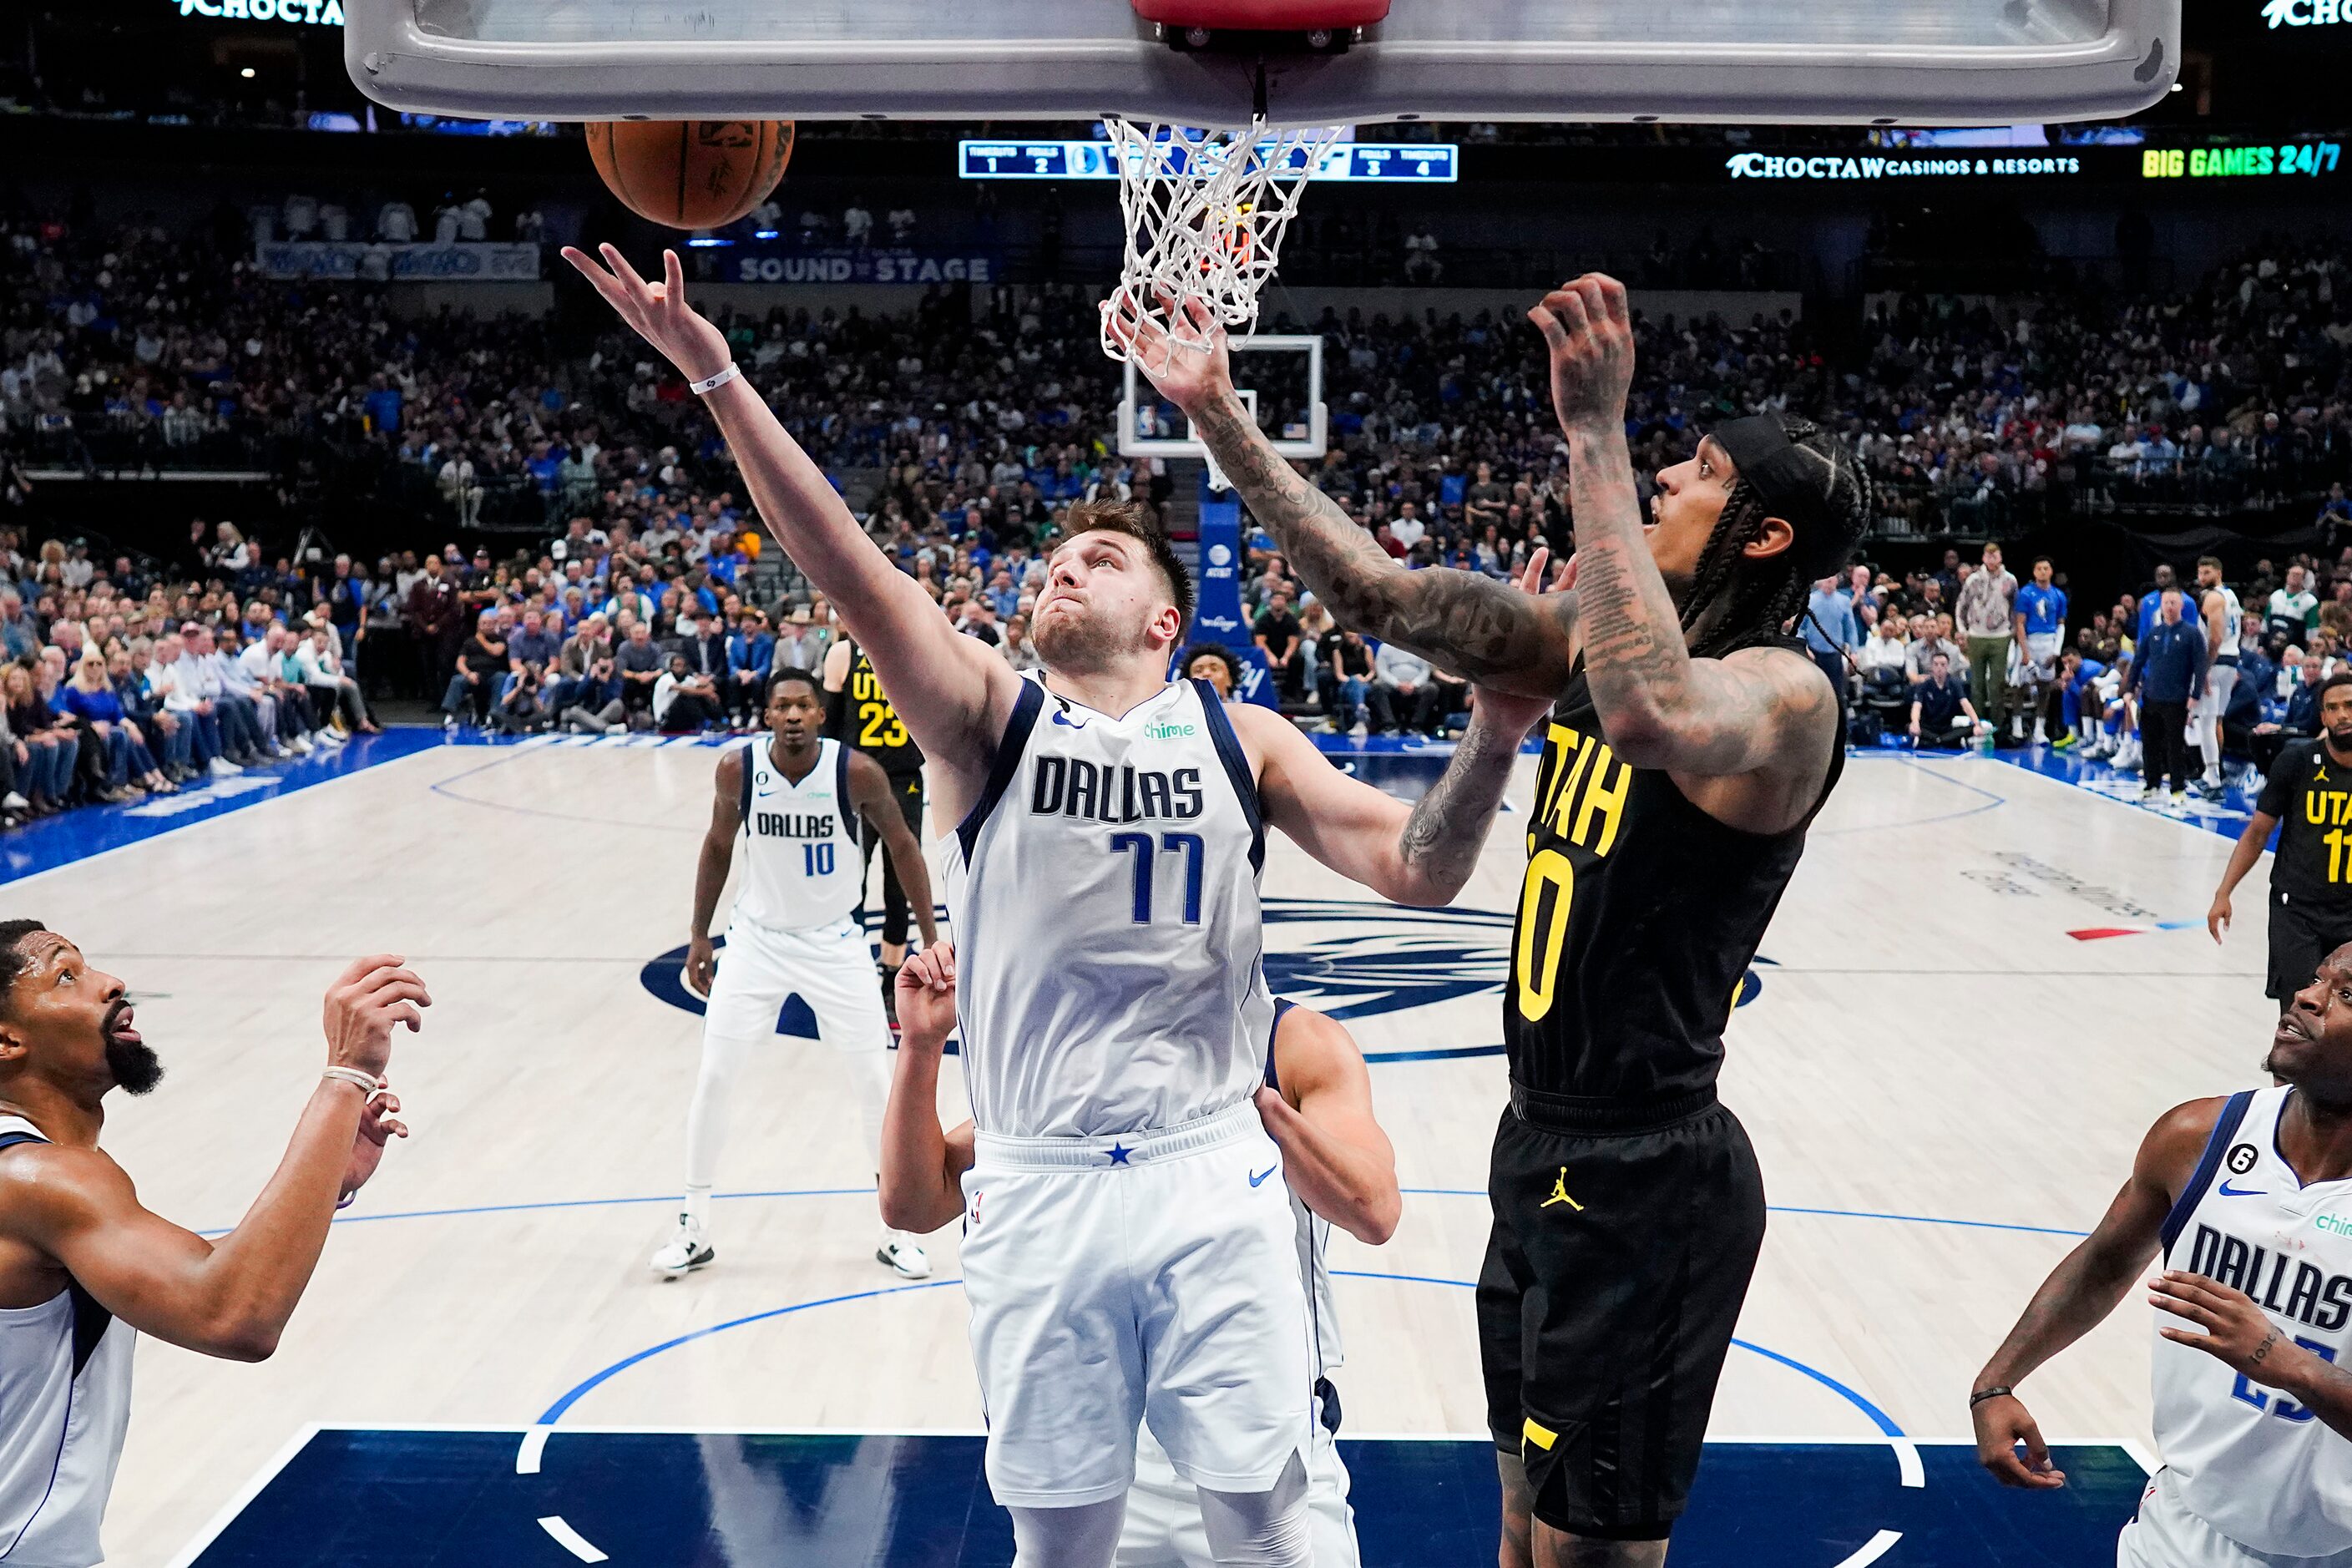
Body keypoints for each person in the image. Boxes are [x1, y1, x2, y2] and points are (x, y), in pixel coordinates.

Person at [569, 240, 1543, 1568]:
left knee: (1266, 1514)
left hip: (1212, 1159)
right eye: (1051, 563)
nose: (1058, 572)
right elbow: (853, 569)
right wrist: (718, 376)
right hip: (1040, 1173)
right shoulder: (986, 721)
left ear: (1162, 620)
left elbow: (1420, 867)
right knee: (1063, 1534)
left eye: (1095, 559)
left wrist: (1491, 736)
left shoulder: (1241, 736)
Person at [1118, 274, 1865, 1564]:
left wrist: (1594, 435)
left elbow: (1649, 716)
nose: (1664, 488)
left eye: (1691, 475)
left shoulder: (1785, 696)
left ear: (1759, 536)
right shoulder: (1589, 634)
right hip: (1540, 1147)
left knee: (1590, 1555)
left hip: (1650, 1173)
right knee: (1520, 1530)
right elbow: (1382, 598)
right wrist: (1221, 418)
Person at [880, 945, 1395, 1568]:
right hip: (1115, 1449)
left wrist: (1243, 1114)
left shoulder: (1297, 1040)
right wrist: (920, 1047)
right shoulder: (1075, 1059)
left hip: (1264, 1437)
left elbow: (1374, 1210)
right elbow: (912, 1204)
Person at [0, 924, 422, 1568]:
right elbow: (233, 1314)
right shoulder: (42, 1180)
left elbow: (195, 1273)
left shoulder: (37, 1179)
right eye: (66, 975)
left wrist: (325, 1186)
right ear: (7, 1040)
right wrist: (346, 1074)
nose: (109, 982)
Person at [1970, 948, 2352, 1567]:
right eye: (2316, 978)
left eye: (2347, 996)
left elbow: (2282, 1362)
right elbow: (2105, 1261)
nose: (2308, 998)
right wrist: (1995, 1383)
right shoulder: (2198, 1137)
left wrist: (2288, 1365)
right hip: (2182, 1527)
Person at [654, 670, 942, 1281]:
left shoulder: (855, 772)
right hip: (756, 942)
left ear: (819, 714)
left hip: (835, 943)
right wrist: (701, 933)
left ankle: (895, 1231)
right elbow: (716, 846)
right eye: (781, 705)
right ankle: (693, 1224)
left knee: (873, 1083)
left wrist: (930, 938)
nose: (791, 715)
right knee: (714, 1077)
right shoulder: (737, 770)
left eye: (803, 706)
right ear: (766, 713)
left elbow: (904, 847)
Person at [2208, 673, 2352, 1002]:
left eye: (2349, 705)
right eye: (2333, 708)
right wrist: (2223, 892)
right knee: (2299, 1012)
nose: (2342, 714)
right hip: (2297, 911)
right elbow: (2257, 833)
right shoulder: (2296, 762)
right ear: (2323, 717)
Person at [823, 633, 928, 1009]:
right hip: (856, 780)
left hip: (903, 779)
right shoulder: (843, 652)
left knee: (899, 883)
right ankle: (849, 968)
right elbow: (829, 727)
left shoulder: (915, 646)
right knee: (851, 879)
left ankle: (892, 971)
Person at [2130, 588, 2210, 806]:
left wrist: (2195, 694)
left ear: (2181, 605)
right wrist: (2130, 688)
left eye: (2174, 602)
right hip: (2151, 697)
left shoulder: (2191, 633)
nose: (2170, 607)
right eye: (2166, 603)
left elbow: (2200, 666)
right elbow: (2138, 661)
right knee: (2150, 744)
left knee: (2175, 746)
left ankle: (2177, 789)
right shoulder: (2154, 633)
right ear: (2161, 605)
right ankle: (2151, 784)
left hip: (2176, 698)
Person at [2197, 556, 2248, 800]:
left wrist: (2204, 667)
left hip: (2217, 662)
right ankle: (2213, 774)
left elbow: (2215, 637)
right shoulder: (2232, 596)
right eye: (2200, 573)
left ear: (2218, 572)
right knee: (2216, 720)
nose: (2202, 578)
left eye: (2207, 572)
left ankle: (2214, 780)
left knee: (2206, 721)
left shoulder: (2214, 597)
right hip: (2231, 659)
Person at [1957, 540, 2019, 741]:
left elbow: (2015, 609)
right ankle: (1978, 725)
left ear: (2000, 557)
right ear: (1984, 558)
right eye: (1988, 556)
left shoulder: (2010, 580)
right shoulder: (1973, 580)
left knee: (1997, 683)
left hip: (2000, 636)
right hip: (1976, 635)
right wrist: (1963, 631)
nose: (1992, 560)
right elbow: (1961, 606)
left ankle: (1997, 726)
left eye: (1996, 556)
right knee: (1977, 682)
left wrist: (2012, 631)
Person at [2015, 557, 2068, 744]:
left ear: (2051, 571)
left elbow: (2061, 624)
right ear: (2034, 572)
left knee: (2045, 687)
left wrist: (2056, 651)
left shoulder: (2059, 595)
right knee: (2022, 685)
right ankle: (2017, 725)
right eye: (2039, 568)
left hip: (2048, 641)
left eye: (2046, 568)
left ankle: (2039, 728)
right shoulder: (2026, 593)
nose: (2043, 572)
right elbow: (2019, 624)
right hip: (2030, 640)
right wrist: (2025, 652)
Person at [1909, 651, 1977, 749]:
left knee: (1972, 729)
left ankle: (1937, 740)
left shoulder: (1955, 684)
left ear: (1947, 666)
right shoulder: (1924, 685)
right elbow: (1917, 706)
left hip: (1947, 727)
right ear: (1931, 667)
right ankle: (1942, 740)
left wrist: (1976, 723)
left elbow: (1965, 704)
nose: (1939, 668)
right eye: (1936, 665)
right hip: (1928, 726)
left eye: (1943, 665)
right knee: (1910, 727)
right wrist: (1915, 722)